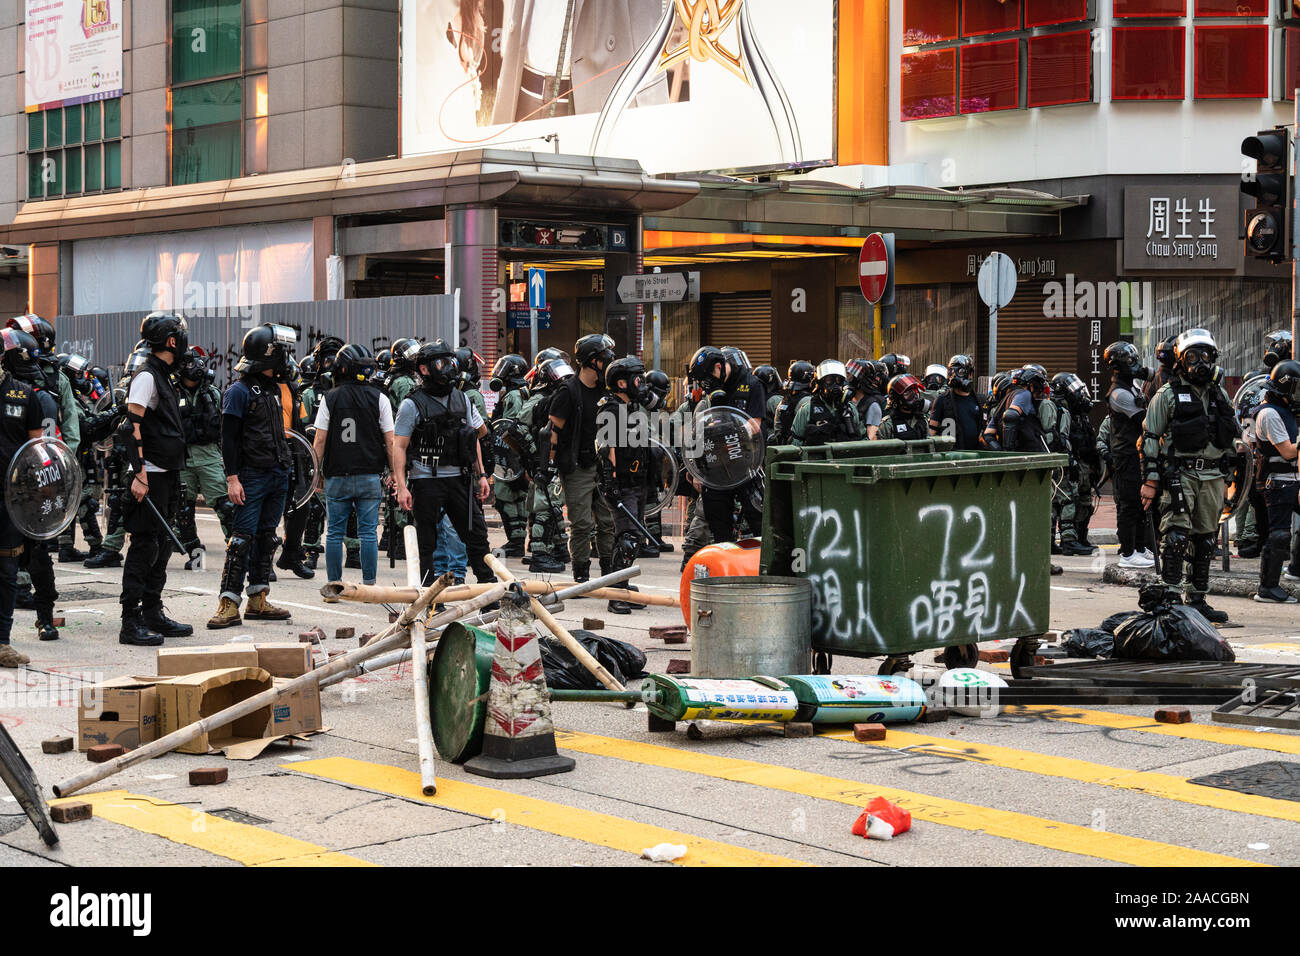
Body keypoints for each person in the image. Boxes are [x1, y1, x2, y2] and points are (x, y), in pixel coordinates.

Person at [1141, 329, 1240, 623]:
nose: (1201, 363)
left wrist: (1228, 478)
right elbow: (1149, 439)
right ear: (1181, 361)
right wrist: (1150, 482)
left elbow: (1229, 438)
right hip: (1180, 475)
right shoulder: (1167, 395)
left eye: (1206, 356)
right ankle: (1171, 596)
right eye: (1193, 356)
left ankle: (1197, 598)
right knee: (1176, 536)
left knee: (1206, 539)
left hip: (1212, 476)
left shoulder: (1219, 394)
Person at [208, 325, 297, 629]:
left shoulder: (274, 388)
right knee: (241, 540)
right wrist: (233, 479)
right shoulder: (238, 391)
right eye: (280, 352)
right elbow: (228, 439)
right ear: (267, 356)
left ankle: (258, 599)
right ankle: (228, 603)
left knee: (267, 537)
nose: (286, 359)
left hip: (277, 473)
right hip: (251, 476)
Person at [392, 340, 495, 587]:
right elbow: (399, 446)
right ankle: (429, 597)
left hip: (459, 479)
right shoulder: (412, 404)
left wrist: (481, 475)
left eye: (450, 361)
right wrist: (402, 486)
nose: (448, 367)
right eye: (441, 362)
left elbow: (474, 438)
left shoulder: (463, 399)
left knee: (477, 537)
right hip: (426, 480)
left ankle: (488, 590)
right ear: (425, 369)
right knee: (427, 543)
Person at [118, 313, 193, 647]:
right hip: (149, 476)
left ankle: (152, 612)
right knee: (144, 547)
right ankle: (129, 621)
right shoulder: (147, 376)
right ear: (171, 341)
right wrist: (140, 474)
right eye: (180, 335)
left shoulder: (165, 375)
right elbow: (129, 427)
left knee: (161, 546)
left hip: (167, 472)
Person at [312, 343, 396, 584]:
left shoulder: (330, 398)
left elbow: (319, 440)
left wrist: (316, 472)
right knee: (368, 533)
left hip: (337, 474)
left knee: (335, 533)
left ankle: (334, 584)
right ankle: (369, 584)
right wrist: (394, 473)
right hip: (369, 475)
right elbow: (390, 441)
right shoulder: (380, 398)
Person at [549, 334, 617, 581]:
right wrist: (547, 465)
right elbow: (553, 432)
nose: (608, 361)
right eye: (603, 357)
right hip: (577, 466)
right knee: (581, 525)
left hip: (603, 465)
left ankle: (608, 573)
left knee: (608, 521)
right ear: (590, 361)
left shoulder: (606, 390)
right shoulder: (568, 391)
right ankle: (581, 574)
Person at [0, 331, 48, 666]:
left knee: (5, 570)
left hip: (9, 500)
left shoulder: (23, 394)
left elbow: (38, 450)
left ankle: (1, 643)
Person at [686, 345, 765, 544]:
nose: (707, 383)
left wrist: (731, 430)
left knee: (758, 518)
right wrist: (695, 466)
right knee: (718, 522)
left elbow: (755, 425)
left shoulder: (751, 383)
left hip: (746, 464)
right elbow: (696, 429)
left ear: (719, 367)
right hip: (716, 467)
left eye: (708, 377)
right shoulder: (708, 392)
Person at [597, 356, 653, 614]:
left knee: (635, 536)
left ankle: (624, 586)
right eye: (637, 379)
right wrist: (611, 482)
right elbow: (606, 448)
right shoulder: (610, 409)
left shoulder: (631, 408)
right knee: (628, 537)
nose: (641, 383)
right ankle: (616, 594)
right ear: (622, 382)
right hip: (621, 486)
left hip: (636, 482)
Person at [174, 348, 232, 570]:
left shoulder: (213, 394)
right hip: (183, 458)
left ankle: (237, 552)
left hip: (209, 456)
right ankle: (196, 556)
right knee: (184, 511)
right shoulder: (172, 392)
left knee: (225, 507)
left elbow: (226, 429)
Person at [1249, 359, 1300, 603]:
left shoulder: (1286, 411)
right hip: (1277, 481)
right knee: (1279, 535)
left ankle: (1296, 569)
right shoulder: (1268, 413)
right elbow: (1288, 451)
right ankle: (1267, 587)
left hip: (1293, 478)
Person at [1104, 342, 1155, 570]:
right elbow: (1144, 420)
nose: (1136, 366)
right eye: (1131, 362)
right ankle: (1127, 552)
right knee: (1128, 504)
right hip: (1125, 455)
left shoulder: (1131, 387)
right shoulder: (1119, 393)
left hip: (1137, 453)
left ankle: (1140, 547)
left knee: (1140, 504)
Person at [521, 357, 572, 573]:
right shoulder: (539, 399)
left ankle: (559, 549)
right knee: (545, 508)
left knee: (554, 506)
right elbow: (522, 421)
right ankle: (540, 555)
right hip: (542, 460)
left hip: (556, 458)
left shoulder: (562, 396)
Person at [487, 353, 531, 556]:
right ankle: (518, 540)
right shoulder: (523, 391)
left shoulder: (513, 396)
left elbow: (509, 429)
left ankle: (515, 541)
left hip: (510, 459)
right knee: (518, 499)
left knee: (506, 499)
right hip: (518, 459)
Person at [1049, 372, 1096, 557]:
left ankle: (1071, 539)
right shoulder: (1060, 410)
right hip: (1065, 463)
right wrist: (1069, 460)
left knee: (1075, 501)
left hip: (1078, 462)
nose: (1079, 393)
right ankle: (1069, 541)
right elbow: (1061, 439)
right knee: (1067, 500)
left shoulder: (1078, 414)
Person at [790, 359, 861, 447]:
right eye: (829, 380)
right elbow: (796, 444)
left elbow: (862, 440)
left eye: (838, 380)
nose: (835, 385)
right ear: (820, 382)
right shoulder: (807, 409)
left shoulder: (851, 409)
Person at [929, 355, 984, 450]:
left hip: (974, 454)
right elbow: (931, 433)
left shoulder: (979, 400)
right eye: (951, 371)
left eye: (960, 371)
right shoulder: (942, 400)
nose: (954, 375)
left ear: (970, 374)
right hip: (950, 455)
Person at [772, 360, 815, 445]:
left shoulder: (784, 401)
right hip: (801, 449)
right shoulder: (808, 401)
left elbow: (777, 429)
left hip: (784, 447)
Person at [877, 374, 929, 441]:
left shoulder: (923, 420)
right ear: (896, 397)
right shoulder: (887, 425)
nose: (914, 395)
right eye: (907, 393)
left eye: (915, 391)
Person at [846, 358, 888, 441]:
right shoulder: (847, 401)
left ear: (860, 379)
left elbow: (871, 439)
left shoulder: (872, 406)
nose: (846, 378)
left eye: (849, 375)